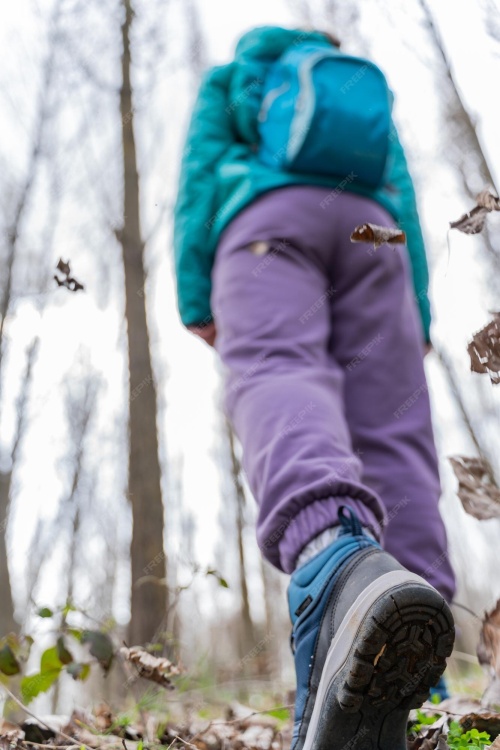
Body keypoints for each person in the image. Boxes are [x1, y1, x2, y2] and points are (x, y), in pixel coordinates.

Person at [173, 25, 456, 750]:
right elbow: (403, 192)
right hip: (374, 234)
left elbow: (201, 171)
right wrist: (414, 311)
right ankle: (421, 646)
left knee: (280, 368)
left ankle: (334, 560)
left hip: (267, 221)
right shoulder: (359, 90)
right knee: (393, 427)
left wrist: (195, 292)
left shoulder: (242, 71)